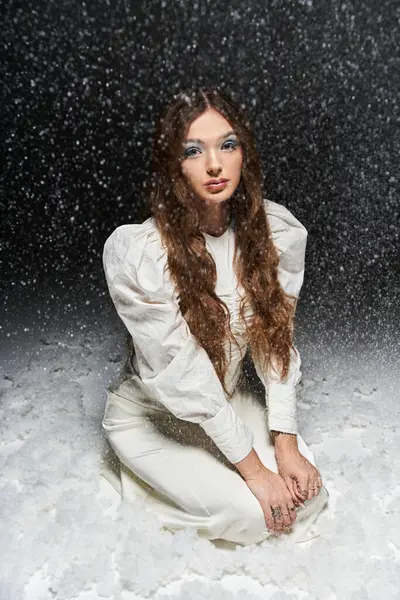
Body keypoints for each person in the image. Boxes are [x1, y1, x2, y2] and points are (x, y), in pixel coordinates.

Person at [100, 86, 329, 546]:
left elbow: (275, 339)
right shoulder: (141, 253)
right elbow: (185, 375)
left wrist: (284, 440)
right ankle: (147, 479)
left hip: (221, 405)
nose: (214, 164)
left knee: (306, 499)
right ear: (172, 165)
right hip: (155, 414)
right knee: (252, 517)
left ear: (244, 151)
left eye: (227, 144)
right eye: (193, 150)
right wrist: (254, 471)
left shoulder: (273, 231)